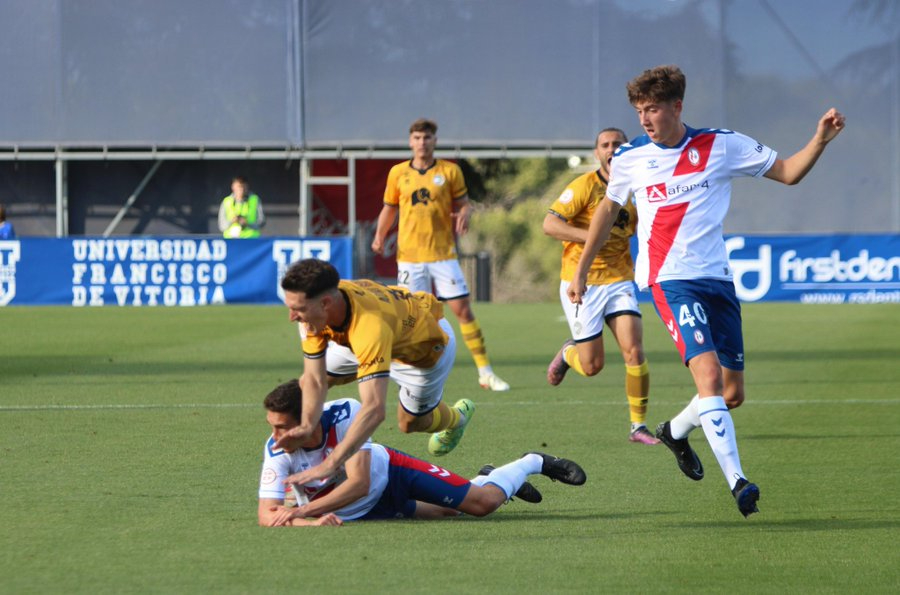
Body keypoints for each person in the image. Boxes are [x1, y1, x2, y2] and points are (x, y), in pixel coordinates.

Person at [567, 65, 845, 517]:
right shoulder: (631, 158)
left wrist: (820, 140)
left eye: (652, 108)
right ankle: (738, 481)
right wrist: (580, 270)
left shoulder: (721, 144)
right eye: (639, 110)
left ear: (677, 106)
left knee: (731, 394)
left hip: (717, 280)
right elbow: (606, 211)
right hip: (668, 280)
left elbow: (789, 172)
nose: (644, 119)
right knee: (709, 379)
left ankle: (674, 432)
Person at [257, 379, 586, 526]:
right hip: (366, 512)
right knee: (452, 513)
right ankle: (488, 477)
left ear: (309, 418)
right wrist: (311, 523)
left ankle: (533, 461)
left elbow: (357, 483)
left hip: (394, 474)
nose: (275, 437)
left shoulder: (345, 413)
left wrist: (302, 512)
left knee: (483, 506)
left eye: (283, 427)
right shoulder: (276, 450)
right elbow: (268, 515)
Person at [276, 257, 478, 493]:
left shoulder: (369, 327)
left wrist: (331, 464)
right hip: (368, 337)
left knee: (410, 423)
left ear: (326, 303)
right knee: (307, 389)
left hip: (423, 349)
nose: (292, 317)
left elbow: (373, 410)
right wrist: (306, 426)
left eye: (298, 309)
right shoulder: (317, 309)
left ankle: (457, 419)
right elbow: (314, 379)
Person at [371, 118, 510, 392]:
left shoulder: (450, 170)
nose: (422, 143)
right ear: (410, 141)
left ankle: (485, 372)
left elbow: (463, 204)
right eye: (417, 138)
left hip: (443, 255)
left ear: (435, 140)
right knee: (410, 316)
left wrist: (465, 214)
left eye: (427, 138)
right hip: (410, 256)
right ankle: (409, 374)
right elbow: (389, 208)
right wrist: (379, 235)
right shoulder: (398, 173)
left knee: (463, 310)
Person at [543, 128, 659, 446]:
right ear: (597, 153)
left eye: (617, 144)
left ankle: (638, 426)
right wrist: (592, 236)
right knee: (592, 366)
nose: (612, 148)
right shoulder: (584, 186)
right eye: (605, 145)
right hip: (582, 282)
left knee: (634, 351)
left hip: (620, 279)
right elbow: (549, 224)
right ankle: (568, 354)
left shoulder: (638, 188)